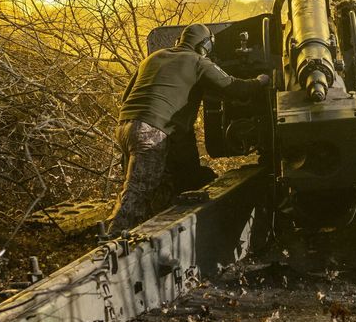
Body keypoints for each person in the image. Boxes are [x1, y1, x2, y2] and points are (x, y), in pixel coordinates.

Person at [106, 23, 269, 235]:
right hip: (151, 131)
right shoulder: (197, 61)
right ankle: (112, 239)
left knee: (158, 184)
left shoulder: (153, 57)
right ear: (205, 46)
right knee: (139, 189)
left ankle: (139, 230)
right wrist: (260, 81)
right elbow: (233, 87)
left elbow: (126, 96)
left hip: (126, 126)